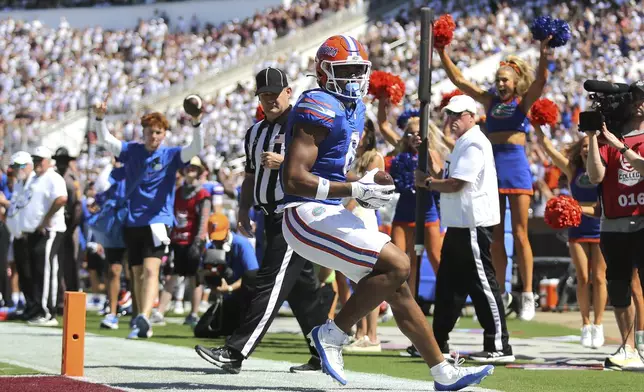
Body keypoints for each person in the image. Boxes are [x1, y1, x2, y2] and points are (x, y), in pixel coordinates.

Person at [280, 35, 493, 389]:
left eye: (356, 70)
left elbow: (332, 172)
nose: (352, 78)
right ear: (323, 73)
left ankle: (442, 372)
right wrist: (354, 188)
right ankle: (332, 334)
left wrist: (365, 181)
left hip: (328, 210)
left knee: (397, 288)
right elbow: (294, 179)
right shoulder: (316, 104)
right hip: (303, 214)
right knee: (400, 264)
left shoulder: (353, 108)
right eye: (344, 70)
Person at [195, 67, 334, 375]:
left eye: (275, 94)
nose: (270, 101)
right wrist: (243, 210)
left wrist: (286, 162)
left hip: (296, 212)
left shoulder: (304, 126)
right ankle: (324, 352)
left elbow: (324, 168)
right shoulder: (255, 131)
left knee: (270, 283)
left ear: (288, 92)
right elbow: (249, 176)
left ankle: (236, 351)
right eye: (264, 95)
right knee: (302, 291)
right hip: (269, 215)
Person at [437, 36, 554, 320]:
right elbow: (461, 81)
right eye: (498, 79)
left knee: (522, 234)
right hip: (490, 170)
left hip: (516, 168)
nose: (501, 84)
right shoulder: (488, 101)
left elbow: (540, 81)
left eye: (505, 80)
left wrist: (543, 53)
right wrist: (441, 51)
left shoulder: (522, 102)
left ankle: (527, 294)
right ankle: (499, 292)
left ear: (515, 83)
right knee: (495, 237)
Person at [93, 99, 204, 339]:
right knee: (136, 273)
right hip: (133, 221)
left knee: (151, 270)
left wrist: (196, 122)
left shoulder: (171, 155)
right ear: (142, 132)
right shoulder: (132, 150)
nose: (154, 136)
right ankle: (137, 317)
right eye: (150, 131)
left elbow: (195, 148)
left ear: (164, 134)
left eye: (158, 132)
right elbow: (106, 141)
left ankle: (144, 316)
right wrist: (100, 119)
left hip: (158, 221)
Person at [415, 95, 514, 363]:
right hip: (460, 224)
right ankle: (437, 341)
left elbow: (457, 183)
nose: (452, 120)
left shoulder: (474, 143)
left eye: (457, 115)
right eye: (449, 115)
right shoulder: (463, 143)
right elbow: (448, 178)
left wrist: (428, 183)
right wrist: (428, 164)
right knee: (448, 286)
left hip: (472, 224)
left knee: (483, 285)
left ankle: (499, 344)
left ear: (472, 116)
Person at [585, 80, 644, 369]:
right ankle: (628, 347)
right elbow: (596, 176)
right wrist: (593, 138)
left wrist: (620, 147)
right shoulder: (612, 136)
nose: (641, 102)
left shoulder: (622, 140)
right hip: (614, 224)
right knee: (619, 287)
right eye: (638, 97)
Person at [534, 123, 607, 348]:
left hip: (600, 227)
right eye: (583, 146)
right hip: (578, 228)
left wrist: (577, 207)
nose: (586, 149)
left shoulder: (605, 170)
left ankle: (599, 324)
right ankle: (585, 325)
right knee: (583, 277)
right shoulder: (572, 170)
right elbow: (548, 149)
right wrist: (537, 127)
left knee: (600, 278)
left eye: (590, 145)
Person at [7, 147, 67, 326]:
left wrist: (45, 220)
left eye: (41, 160)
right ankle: (38, 308)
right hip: (37, 231)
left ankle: (48, 312)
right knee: (38, 271)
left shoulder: (52, 177)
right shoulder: (35, 179)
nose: (38, 163)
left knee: (46, 270)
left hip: (51, 229)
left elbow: (61, 199)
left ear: (48, 161)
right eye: (36, 160)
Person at [157, 156, 211, 327]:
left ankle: (193, 313)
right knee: (172, 276)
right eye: (188, 167)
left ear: (199, 172)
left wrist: (198, 241)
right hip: (177, 240)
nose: (190, 170)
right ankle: (159, 312)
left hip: (193, 241)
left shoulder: (203, 194)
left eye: (194, 168)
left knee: (194, 278)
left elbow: (204, 219)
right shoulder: (178, 191)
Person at [193, 213, 259, 338]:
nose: (217, 241)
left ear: (228, 230)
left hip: (244, 296)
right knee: (201, 330)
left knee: (250, 281)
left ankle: (246, 328)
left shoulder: (242, 244)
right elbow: (200, 274)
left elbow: (252, 275)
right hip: (227, 299)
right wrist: (211, 279)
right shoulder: (210, 247)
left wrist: (229, 288)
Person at [95, 164, 129, 329]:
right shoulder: (108, 173)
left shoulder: (140, 168)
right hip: (114, 226)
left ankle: (139, 314)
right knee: (113, 270)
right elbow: (100, 195)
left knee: (135, 272)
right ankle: (112, 313)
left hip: (134, 223)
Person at [52, 147, 82, 293]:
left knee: (71, 262)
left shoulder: (72, 180)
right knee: (57, 262)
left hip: (70, 225)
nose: (60, 164)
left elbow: (77, 207)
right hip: (56, 223)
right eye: (58, 161)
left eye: (63, 161)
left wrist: (71, 228)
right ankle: (59, 296)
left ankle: (73, 293)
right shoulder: (54, 176)